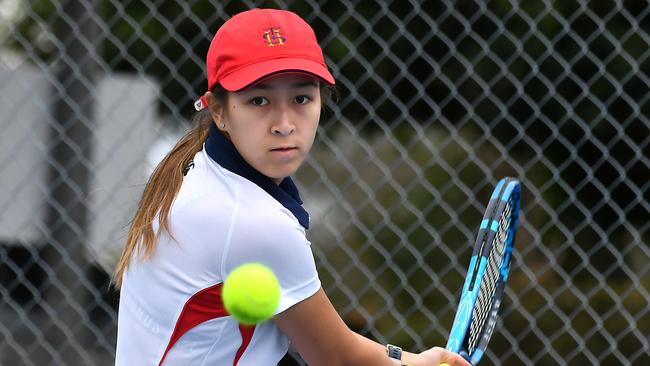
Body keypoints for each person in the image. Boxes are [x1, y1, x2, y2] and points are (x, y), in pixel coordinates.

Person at [113, 8, 470, 366]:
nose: (284, 124)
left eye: (301, 99)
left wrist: (409, 360)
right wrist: (417, 362)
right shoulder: (254, 221)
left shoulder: (199, 170)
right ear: (218, 110)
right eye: (259, 100)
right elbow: (337, 358)